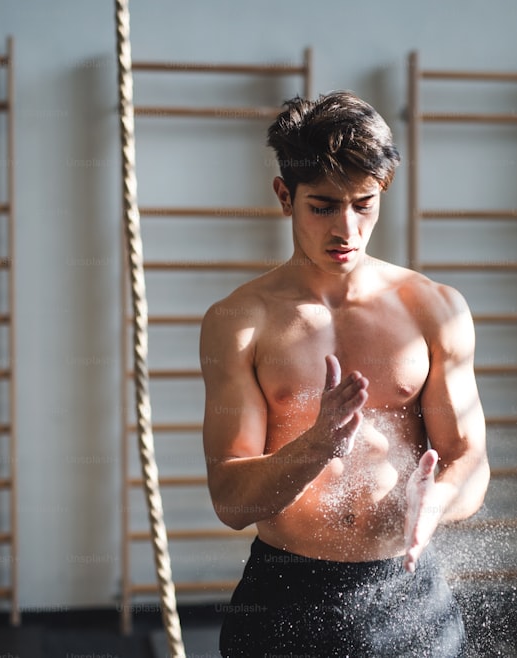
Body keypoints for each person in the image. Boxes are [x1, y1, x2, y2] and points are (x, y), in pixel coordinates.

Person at [200, 91, 489, 657]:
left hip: (409, 594)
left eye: (363, 204)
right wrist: (316, 445)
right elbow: (231, 501)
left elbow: (469, 460)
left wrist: (437, 502)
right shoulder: (240, 322)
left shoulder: (434, 308)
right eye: (323, 206)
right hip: (286, 595)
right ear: (286, 196)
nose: (347, 230)